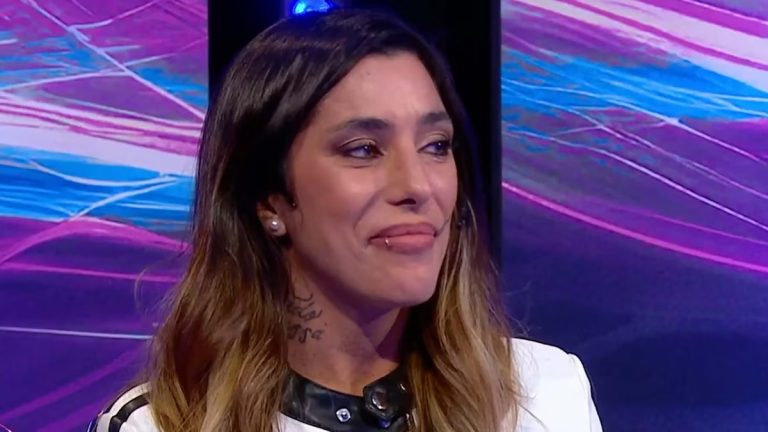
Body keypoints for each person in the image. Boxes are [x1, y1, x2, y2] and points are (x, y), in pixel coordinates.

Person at [91, 8, 601, 432]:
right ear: (269, 200)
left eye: (436, 145)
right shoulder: (161, 424)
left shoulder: (544, 394)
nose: (419, 186)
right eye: (364, 149)